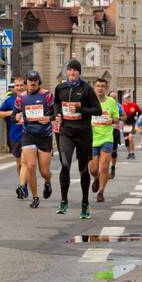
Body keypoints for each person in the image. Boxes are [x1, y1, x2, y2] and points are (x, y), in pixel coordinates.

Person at [52, 59, 102, 219]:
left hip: (83, 134)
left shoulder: (86, 89)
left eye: (75, 70)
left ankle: (85, 203)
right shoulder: (61, 88)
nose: (72, 73)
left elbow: (97, 110)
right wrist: (57, 115)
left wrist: (81, 109)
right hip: (66, 132)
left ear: (79, 72)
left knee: (83, 169)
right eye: (70, 70)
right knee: (65, 164)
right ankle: (64, 201)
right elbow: (56, 104)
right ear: (67, 72)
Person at [16, 71, 54, 209]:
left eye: (35, 80)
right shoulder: (21, 98)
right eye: (30, 80)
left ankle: (48, 181)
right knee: (31, 166)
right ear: (26, 82)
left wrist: (49, 118)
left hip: (44, 136)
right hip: (28, 135)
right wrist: (17, 117)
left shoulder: (47, 95)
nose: (32, 83)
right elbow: (14, 113)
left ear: (39, 81)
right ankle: (35, 197)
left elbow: (56, 112)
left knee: (44, 171)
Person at [88, 77, 121, 203]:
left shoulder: (111, 102)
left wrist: (111, 120)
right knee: (93, 169)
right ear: (94, 87)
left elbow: (117, 119)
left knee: (104, 166)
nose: (100, 88)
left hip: (107, 138)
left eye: (103, 86)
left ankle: (101, 192)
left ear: (106, 88)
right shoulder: (89, 101)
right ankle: (97, 178)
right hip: (92, 139)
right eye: (98, 86)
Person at [0, 76, 27, 198]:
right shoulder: (9, 100)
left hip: (29, 135)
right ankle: (24, 183)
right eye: (16, 86)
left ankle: (22, 186)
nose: (19, 88)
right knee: (19, 164)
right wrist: (12, 113)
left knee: (26, 163)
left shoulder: (29, 98)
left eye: (21, 85)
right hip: (15, 136)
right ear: (14, 88)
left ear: (25, 86)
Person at [120, 93, 140, 160]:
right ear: (124, 99)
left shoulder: (134, 105)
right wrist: (121, 118)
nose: (128, 99)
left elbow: (140, 112)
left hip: (133, 124)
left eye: (129, 97)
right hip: (125, 124)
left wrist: (137, 116)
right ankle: (129, 153)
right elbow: (119, 115)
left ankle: (132, 153)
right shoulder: (122, 107)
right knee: (126, 140)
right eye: (126, 98)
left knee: (130, 138)